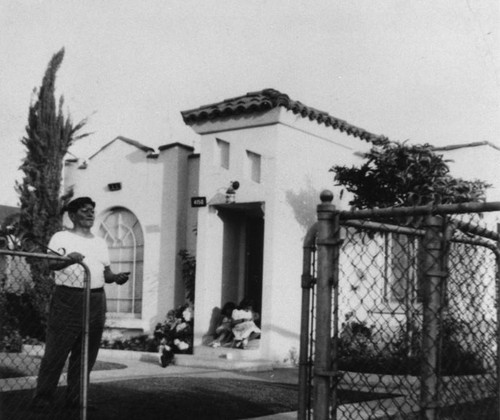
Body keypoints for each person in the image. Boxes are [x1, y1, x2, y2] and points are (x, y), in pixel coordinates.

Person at [31, 197, 130, 410]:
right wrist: (68, 259)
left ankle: (76, 398)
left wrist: (117, 277)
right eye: (84, 210)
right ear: (73, 215)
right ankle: (43, 397)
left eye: (92, 210)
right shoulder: (60, 237)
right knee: (57, 350)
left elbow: (107, 273)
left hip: (96, 299)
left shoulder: (100, 241)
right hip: (68, 298)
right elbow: (50, 264)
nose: (90, 214)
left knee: (87, 352)